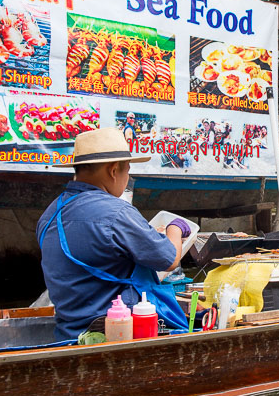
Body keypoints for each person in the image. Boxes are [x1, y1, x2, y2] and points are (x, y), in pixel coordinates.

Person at [37, 128, 192, 341]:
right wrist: (175, 228)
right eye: (127, 170)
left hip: (69, 335)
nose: (127, 177)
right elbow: (169, 259)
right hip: (116, 335)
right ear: (113, 171)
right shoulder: (117, 213)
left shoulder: (49, 214)